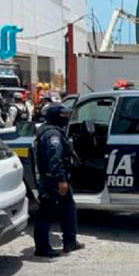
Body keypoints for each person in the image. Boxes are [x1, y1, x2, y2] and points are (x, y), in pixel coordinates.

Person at [33, 103, 84, 258]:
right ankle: (42, 248)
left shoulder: (53, 131)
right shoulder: (52, 135)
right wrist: (61, 179)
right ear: (55, 116)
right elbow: (54, 159)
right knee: (46, 212)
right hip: (53, 179)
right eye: (64, 115)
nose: (67, 118)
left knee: (68, 209)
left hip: (57, 178)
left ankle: (70, 241)